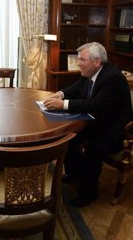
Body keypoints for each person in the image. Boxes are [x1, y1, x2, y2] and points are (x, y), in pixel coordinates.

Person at [44, 42, 133, 207]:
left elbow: (96, 105)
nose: (78, 63)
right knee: (70, 138)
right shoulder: (91, 72)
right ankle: (75, 174)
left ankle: (89, 193)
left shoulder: (112, 78)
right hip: (97, 121)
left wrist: (63, 105)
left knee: (92, 151)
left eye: (82, 59)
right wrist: (60, 94)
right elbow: (78, 86)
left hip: (115, 129)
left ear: (96, 61)